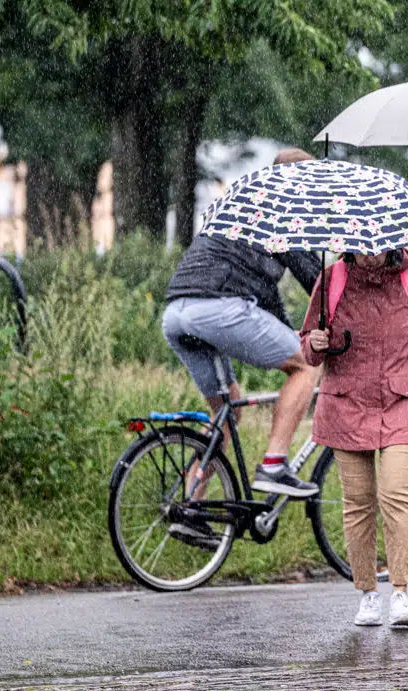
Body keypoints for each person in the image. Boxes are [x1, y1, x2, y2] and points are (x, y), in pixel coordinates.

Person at [161, 149, 323, 517]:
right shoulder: (285, 212)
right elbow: (318, 282)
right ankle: (274, 465)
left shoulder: (239, 204)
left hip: (177, 311)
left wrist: (288, 329)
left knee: (228, 412)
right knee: (306, 365)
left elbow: (263, 289)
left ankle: (189, 509)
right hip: (219, 307)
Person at [302, 249, 408, 629]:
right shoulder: (332, 279)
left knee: (396, 493)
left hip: (402, 399)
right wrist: (315, 343)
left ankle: (400, 592)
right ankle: (368, 593)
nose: (369, 256)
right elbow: (308, 346)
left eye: (376, 249)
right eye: (362, 249)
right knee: (358, 502)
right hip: (347, 401)